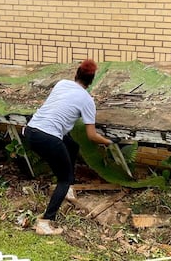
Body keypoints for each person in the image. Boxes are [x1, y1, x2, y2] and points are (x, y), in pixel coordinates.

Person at [22, 59, 115, 236]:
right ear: (91, 82)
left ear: (76, 74)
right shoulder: (87, 100)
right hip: (48, 137)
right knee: (63, 179)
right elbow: (92, 135)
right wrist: (110, 142)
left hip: (30, 130)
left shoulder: (62, 84)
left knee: (71, 144)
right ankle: (46, 221)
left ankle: (69, 188)